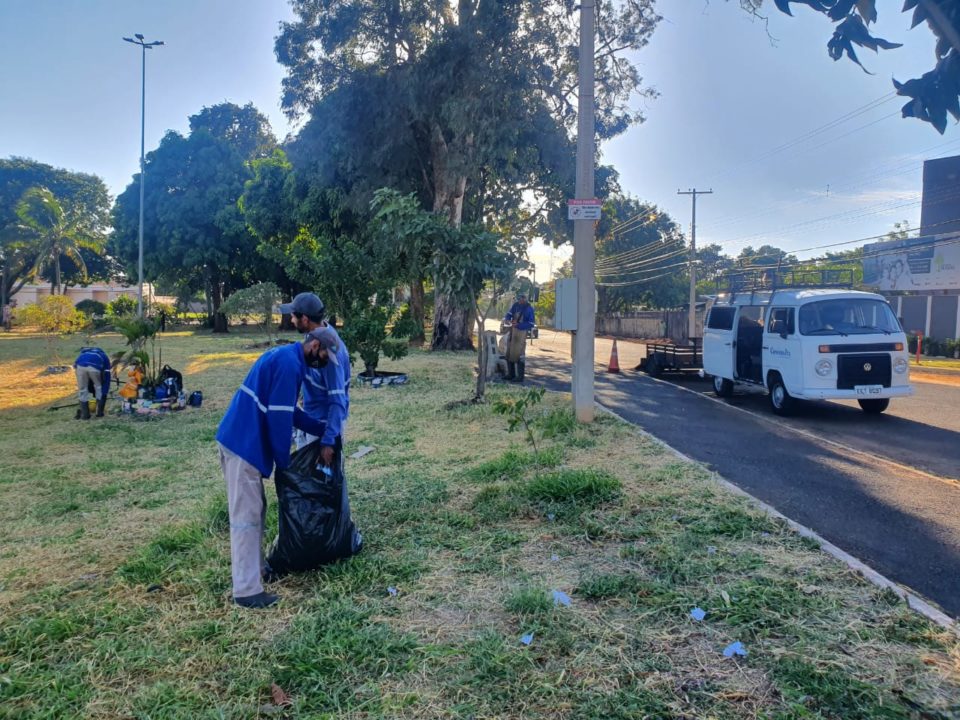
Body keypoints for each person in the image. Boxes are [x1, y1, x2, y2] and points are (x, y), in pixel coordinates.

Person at [215, 332, 330, 609]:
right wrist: (285, 465)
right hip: (243, 445)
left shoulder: (286, 358)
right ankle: (246, 590)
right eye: (326, 355)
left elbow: (289, 411)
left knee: (256, 511)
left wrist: (322, 429)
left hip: (243, 441)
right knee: (246, 518)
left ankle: (259, 571)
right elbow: (280, 421)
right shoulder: (289, 365)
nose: (325, 362)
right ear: (315, 345)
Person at [280, 293, 351, 451]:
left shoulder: (330, 352)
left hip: (324, 425)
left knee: (324, 475)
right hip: (311, 419)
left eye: (293, 317)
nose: (291, 321)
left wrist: (329, 439)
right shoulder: (313, 337)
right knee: (306, 474)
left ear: (305, 319)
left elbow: (338, 400)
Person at [502, 292, 535, 382]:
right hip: (512, 331)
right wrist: (508, 319)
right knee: (509, 352)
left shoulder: (529, 309)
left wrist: (519, 325)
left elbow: (531, 323)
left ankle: (520, 377)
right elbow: (509, 313)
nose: (521, 300)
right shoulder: (515, 306)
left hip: (521, 333)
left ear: (526, 299)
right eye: (520, 298)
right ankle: (511, 374)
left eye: (523, 298)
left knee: (519, 354)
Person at [73, 347, 111, 419]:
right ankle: (99, 413)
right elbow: (107, 374)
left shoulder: (83, 354)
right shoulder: (103, 355)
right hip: (95, 368)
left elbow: (75, 366)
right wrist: (105, 390)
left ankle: (85, 415)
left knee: (82, 390)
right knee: (99, 387)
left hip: (80, 367)